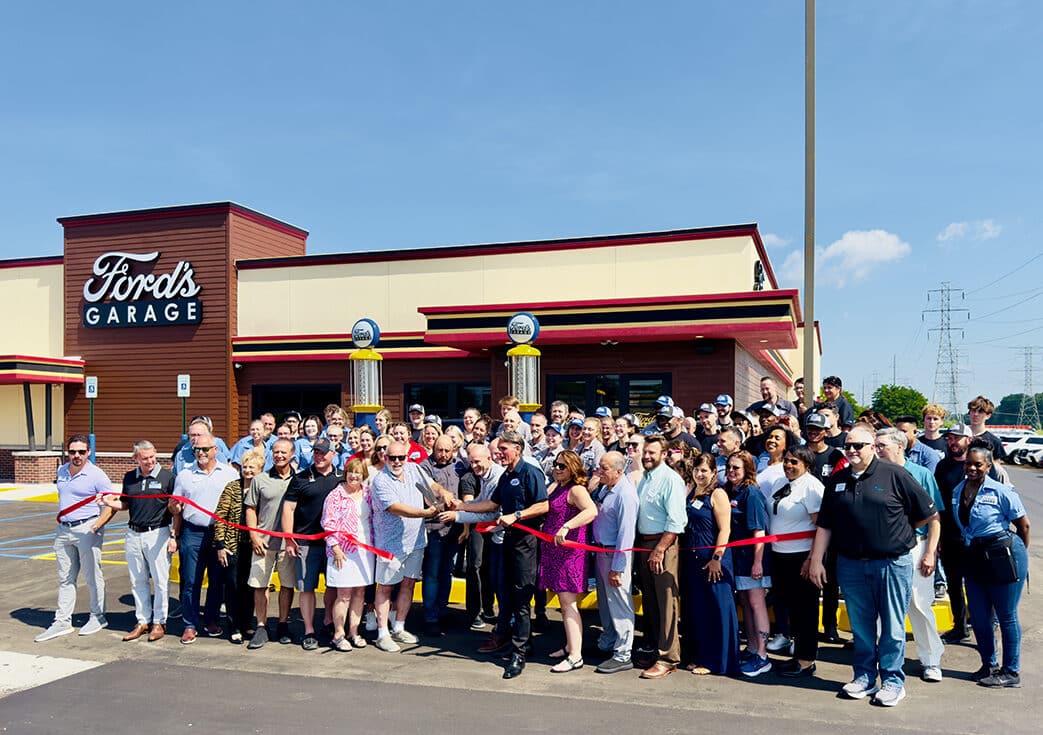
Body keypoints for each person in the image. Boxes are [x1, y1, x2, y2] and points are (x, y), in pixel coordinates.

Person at [807, 426, 940, 707]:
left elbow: (926, 514)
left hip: (891, 564)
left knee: (892, 626)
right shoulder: (838, 479)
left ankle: (893, 681)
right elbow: (826, 523)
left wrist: (895, 533)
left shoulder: (895, 474)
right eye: (848, 445)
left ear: (872, 447)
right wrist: (816, 559)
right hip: (851, 565)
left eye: (859, 445)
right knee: (861, 626)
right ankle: (865, 676)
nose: (852, 450)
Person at [452, 430, 548, 679]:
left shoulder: (530, 472)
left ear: (517, 448)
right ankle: (519, 641)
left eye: (503, 449)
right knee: (506, 592)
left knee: (521, 595)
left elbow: (543, 504)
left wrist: (516, 515)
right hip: (507, 541)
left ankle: (519, 653)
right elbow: (492, 505)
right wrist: (461, 505)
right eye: (498, 449)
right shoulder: (506, 476)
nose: (499, 454)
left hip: (526, 543)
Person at [953, 447, 1031, 688]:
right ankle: (989, 664)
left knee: (1006, 616)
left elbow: (1024, 526)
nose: (972, 468)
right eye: (969, 464)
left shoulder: (1001, 491)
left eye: (978, 464)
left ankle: (1011, 671)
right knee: (978, 616)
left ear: (988, 466)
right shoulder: (959, 489)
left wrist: (1016, 556)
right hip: (974, 554)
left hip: (1003, 554)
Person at [873, 428, 945, 682]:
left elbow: (935, 517)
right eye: (875, 444)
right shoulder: (872, 472)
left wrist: (930, 553)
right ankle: (886, 657)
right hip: (882, 548)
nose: (876, 449)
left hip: (916, 547)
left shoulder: (922, 474)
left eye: (881, 445)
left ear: (899, 446)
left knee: (919, 605)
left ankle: (931, 660)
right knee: (885, 607)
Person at [35, 436, 117, 642]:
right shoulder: (61, 471)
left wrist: (97, 525)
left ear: (88, 452)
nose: (76, 456)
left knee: (92, 576)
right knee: (65, 578)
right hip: (63, 530)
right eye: (72, 452)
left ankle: (98, 616)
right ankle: (62, 621)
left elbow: (112, 502)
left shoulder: (97, 475)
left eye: (81, 452)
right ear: (67, 452)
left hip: (87, 528)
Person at [99, 439, 177, 642]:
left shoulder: (168, 477)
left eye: (152, 457)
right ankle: (142, 621)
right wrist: (110, 502)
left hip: (158, 533)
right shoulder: (129, 478)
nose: (150, 461)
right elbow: (125, 504)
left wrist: (174, 535)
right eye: (145, 458)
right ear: (136, 458)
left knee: (160, 581)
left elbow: (175, 509)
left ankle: (159, 622)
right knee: (138, 580)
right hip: (133, 534)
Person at [370, 439, 442, 651]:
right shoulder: (380, 480)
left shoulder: (413, 468)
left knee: (408, 584)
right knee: (385, 587)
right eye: (392, 457)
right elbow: (395, 508)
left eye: (401, 457)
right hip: (390, 545)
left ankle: (399, 626)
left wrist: (443, 493)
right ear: (385, 457)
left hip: (416, 541)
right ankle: (382, 633)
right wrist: (425, 513)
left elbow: (431, 486)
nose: (397, 461)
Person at [169, 429, 239, 644]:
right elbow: (176, 509)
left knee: (217, 581)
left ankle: (211, 619)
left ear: (215, 450)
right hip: (193, 533)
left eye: (205, 449)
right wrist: (175, 527)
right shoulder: (185, 475)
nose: (201, 453)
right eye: (197, 449)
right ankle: (190, 624)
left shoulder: (230, 474)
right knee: (191, 580)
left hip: (219, 535)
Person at [677, 453, 738, 676]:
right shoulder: (691, 492)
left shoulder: (718, 494)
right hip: (692, 561)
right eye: (696, 470)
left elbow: (725, 529)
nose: (699, 474)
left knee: (717, 611)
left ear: (713, 472)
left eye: (704, 470)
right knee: (698, 612)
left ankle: (717, 661)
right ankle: (699, 655)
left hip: (713, 562)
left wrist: (717, 558)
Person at [766, 445, 823, 678]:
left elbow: (821, 527)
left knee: (805, 610)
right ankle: (796, 656)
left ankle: (807, 660)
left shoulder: (812, 487)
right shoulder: (782, 484)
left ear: (806, 465)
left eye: (795, 462)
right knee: (790, 608)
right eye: (787, 461)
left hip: (802, 556)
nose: (789, 465)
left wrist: (812, 558)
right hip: (780, 554)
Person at [281, 437, 342, 651]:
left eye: (323, 452)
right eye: (316, 452)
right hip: (306, 543)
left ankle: (328, 621)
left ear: (333, 454)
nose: (319, 456)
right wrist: (289, 538)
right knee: (306, 588)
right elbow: (288, 510)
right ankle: (308, 630)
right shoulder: (300, 478)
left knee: (334, 587)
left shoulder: (341, 478)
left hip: (334, 543)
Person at [633, 435, 687, 679]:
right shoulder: (645, 479)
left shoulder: (671, 480)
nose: (646, 456)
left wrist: (660, 549)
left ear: (665, 454)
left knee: (667, 604)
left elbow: (676, 521)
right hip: (644, 544)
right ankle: (655, 648)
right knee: (651, 601)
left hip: (663, 546)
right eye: (645, 452)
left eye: (652, 453)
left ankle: (668, 658)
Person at [540, 450, 598, 673]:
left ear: (573, 468)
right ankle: (570, 645)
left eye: (562, 466)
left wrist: (567, 526)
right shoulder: (557, 487)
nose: (556, 468)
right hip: (554, 552)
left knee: (568, 603)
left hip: (569, 555)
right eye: (555, 464)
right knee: (563, 604)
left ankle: (576, 655)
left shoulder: (577, 490)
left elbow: (591, 511)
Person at [243, 437, 297, 649]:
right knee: (260, 585)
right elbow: (250, 509)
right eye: (275, 452)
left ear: (292, 454)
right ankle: (261, 626)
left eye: (284, 452)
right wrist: (254, 536)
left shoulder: (299, 479)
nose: (279, 455)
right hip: (263, 543)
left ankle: (283, 624)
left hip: (287, 544)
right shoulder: (260, 479)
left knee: (287, 585)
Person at [589, 451, 639, 673]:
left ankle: (623, 653)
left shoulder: (625, 494)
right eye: (600, 466)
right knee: (606, 603)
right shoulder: (606, 489)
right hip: (601, 553)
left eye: (604, 468)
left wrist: (618, 567)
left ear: (619, 471)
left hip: (614, 555)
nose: (599, 471)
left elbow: (626, 535)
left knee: (619, 603)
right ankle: (610, 640)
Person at [724, 450, 772, 676]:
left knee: (756, 604)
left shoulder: (751, 493)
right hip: (737, 559)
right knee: (746, 603)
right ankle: (752, 648)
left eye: (736, 468)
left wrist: (758, 562)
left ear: (747, 470)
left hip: (753, 559)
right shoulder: (729, 490)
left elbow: (759, 530)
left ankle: (762, 655)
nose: (731, 471)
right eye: (729, 467)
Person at [322, 459, 376, 652]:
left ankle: (354, 631)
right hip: (343, 552)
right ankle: (338, 634)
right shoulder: (336, 495)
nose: (354, 476)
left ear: (364, 475)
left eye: (358, 473)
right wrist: (335, 547)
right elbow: (328, 523)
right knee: (343, 595)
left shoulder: (368, 494)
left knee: (360, 593)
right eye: (351, 472)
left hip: (365, 550)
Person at [213, 448, 265, 643]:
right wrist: (220, 544)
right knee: (233, 586)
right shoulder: (232, 487)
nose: (248, 470)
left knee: (250, 586)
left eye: (252, 467)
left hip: (253, 546)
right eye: (245, 467)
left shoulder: (261, 488)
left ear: (260, 469)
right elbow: (220, 517)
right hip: (233, 545)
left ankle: (246, 624)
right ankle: (233, 626)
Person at [418, 435, 463, 636]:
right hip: (433, 527)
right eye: (440, 450)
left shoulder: (461, 466)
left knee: (447, 572)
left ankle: (443, 610)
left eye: (447, 450)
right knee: (432, 574)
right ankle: (430, 616)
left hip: (454, 527)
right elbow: (426, 495)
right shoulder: (424, 467)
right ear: (433, 449)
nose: (443, 455)